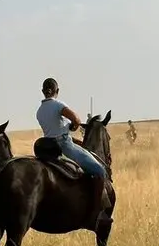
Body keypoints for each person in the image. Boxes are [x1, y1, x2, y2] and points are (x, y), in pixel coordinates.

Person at [36, 78, 111, 228]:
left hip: (48, 144)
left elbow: (53, 129)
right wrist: (72, 127)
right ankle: (96, 214)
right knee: (99, 170)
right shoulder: (58, 105)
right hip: (64, 144)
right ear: (57, 91)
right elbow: (76, 119)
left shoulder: (39, 111)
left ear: (43, 91)